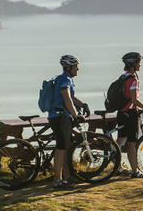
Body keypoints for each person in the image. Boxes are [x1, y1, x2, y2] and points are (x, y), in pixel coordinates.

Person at [50, 54, 89, 188]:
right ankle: (57, 180)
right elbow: (67, 99)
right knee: (61, 148)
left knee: (66, 146)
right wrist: (76, 115)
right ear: (69, 67)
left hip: (62, 116)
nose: (78, 69)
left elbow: (72, 98)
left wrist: (83, 105)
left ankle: (67, 177)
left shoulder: (67, 79)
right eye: (76, 67)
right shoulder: (64, 80)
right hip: (59, 116)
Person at [116, 52, 143, 178]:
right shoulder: (133, 79)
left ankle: (117, 167)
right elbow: (134, 100)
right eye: (138, 62)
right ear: (133, 64)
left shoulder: (123, 77)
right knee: (132, 144)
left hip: (121, 113)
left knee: (120, 141)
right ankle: (135, 171)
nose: (140, 65)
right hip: (130, 114)